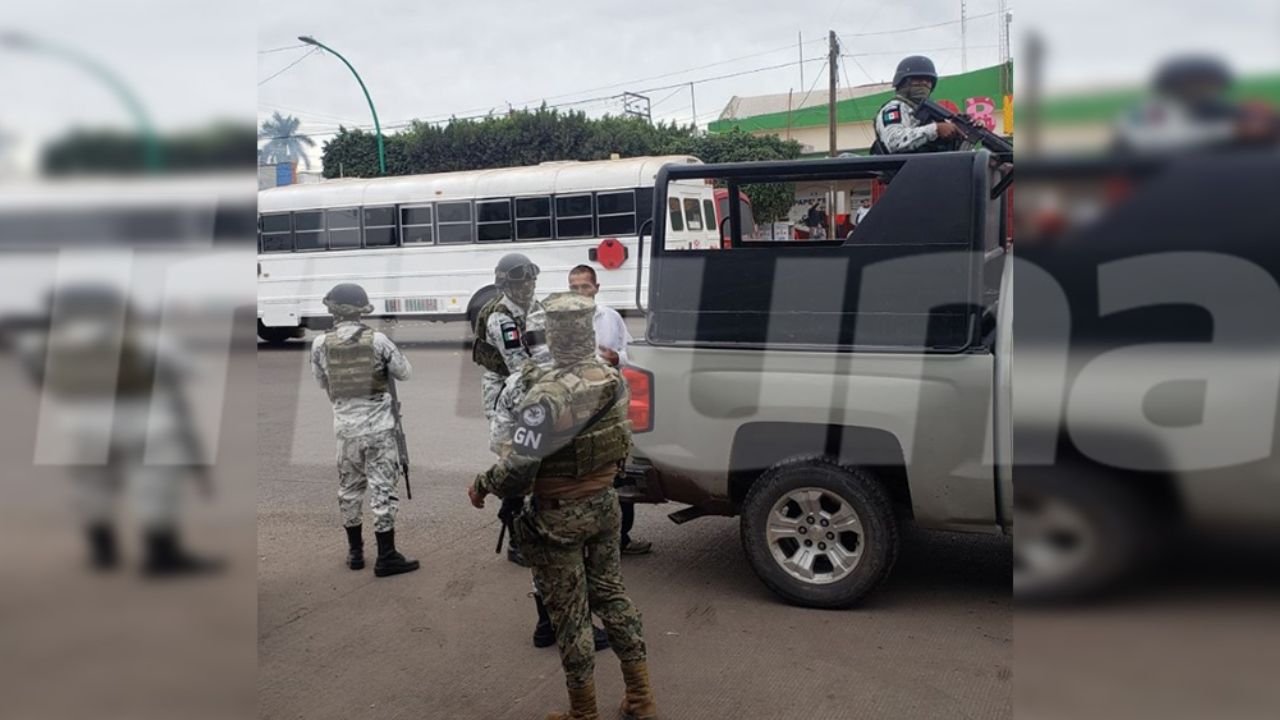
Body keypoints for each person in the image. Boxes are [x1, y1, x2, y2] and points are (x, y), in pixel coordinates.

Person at [470, 292, 657, 720]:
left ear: (551, 334)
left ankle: (583, 713)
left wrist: (482, 485)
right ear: (587, 330)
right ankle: (642, 697)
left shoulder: (545, 393)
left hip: (558, 516)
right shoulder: (611, 377)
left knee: (570, 614)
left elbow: (518, 467)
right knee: (613, 596)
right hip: (605, 504)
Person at [17, 284, 221, 577]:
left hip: (78, 424)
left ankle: (102, 551)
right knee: (153, 486)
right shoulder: (147, 340)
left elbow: (37, 374)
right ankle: (161, 555)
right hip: (143, 422)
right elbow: (196, 371)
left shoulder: (41, 343)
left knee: (91, 486)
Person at [311, 282, 418, 577]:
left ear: (333, 310)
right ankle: (386, 556)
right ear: (362, 310)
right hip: (380, 430)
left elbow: (322, 383)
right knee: (383, 489)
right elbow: (405, 373)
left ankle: (355, 552)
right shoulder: (379, 341)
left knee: (349, 490)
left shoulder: (320, 344)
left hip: (345, 431)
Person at [473, 252, 552, 566]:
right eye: (522, 281)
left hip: (532, 387)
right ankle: (517, 540)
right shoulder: (500, 317)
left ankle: (530, 528)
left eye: (532, 279)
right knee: (514, 464)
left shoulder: (536, 307)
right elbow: (518, 365)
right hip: (507, 392)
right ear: (506, 284)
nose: (529, 286)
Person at [567, 265, 651, 556]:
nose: (580, 293)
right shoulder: (560, 322)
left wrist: (617, 357)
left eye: (585, 287)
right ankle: (583, 543)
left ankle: (621, 540)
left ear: (597, 288)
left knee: (616, 476)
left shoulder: (611, 318)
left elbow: (632, 354)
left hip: (610, 409)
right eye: (574, 287)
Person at [1114, 55, 1280, 152]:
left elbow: (1257, 128)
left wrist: (1268, 125)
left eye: (1211, 82)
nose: (1204, 87)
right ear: (1173, 83)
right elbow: (1152, 140)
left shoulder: (1220, 108)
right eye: (1196, 81)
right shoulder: (1145, 111)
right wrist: (1234, 130)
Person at [872, 55, 965, 155]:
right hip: (903, 168)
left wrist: (962, 128)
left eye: (928, 81)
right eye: (919, 79)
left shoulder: (930, 112)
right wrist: (936, 129)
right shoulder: (894, 108)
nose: (924, 84)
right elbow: (895, 142)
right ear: (903, 82)